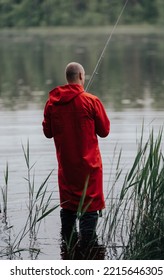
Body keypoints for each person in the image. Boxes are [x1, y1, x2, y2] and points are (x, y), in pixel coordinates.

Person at [42, 62, 110, 253]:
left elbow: (48, 133)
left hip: (66, 169)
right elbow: (104, 131)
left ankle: (69, 255)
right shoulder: (91, 101)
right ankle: (89, 253)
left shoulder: (51, 104)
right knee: (89, 211)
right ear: (81, 77)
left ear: (68, 77)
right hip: (90, 169)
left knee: (68, 210)